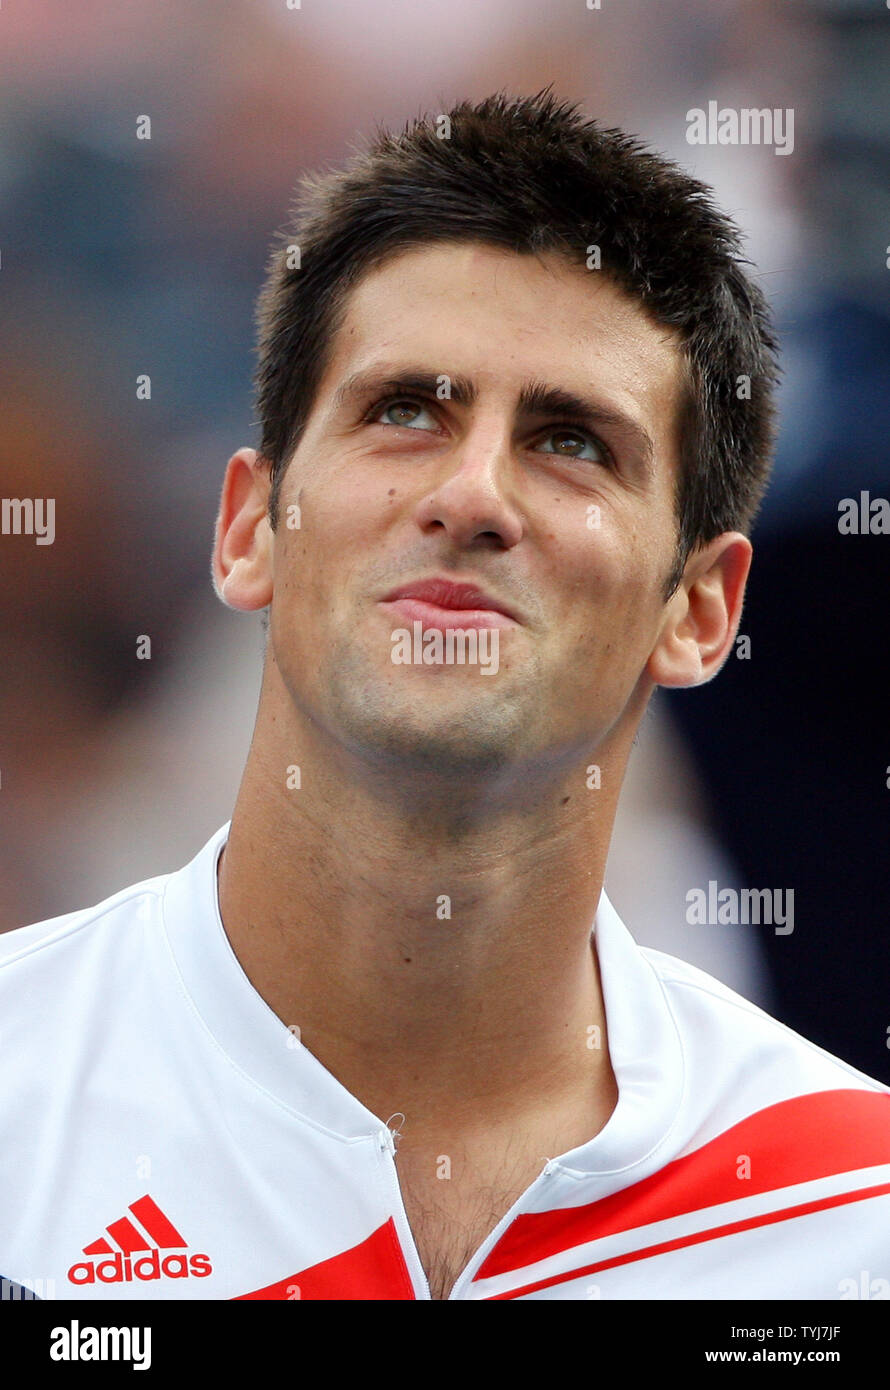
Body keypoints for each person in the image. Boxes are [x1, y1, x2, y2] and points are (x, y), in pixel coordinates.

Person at [2, 89, 888, 1303]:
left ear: (699, 610)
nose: (472, 495)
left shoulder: (846, 1213)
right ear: (250, 526)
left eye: (571, 439)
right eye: (404, 409)